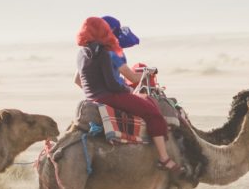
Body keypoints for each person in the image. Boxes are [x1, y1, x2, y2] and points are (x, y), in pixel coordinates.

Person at [74, 16, 181, 173]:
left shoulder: (81, 53)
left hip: (91, 97)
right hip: (109, 96)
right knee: (152, 112)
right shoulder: (104, 52)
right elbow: (112, 84)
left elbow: (78, 80)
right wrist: (130, 92)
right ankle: (164, 158)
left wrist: (93, 91)